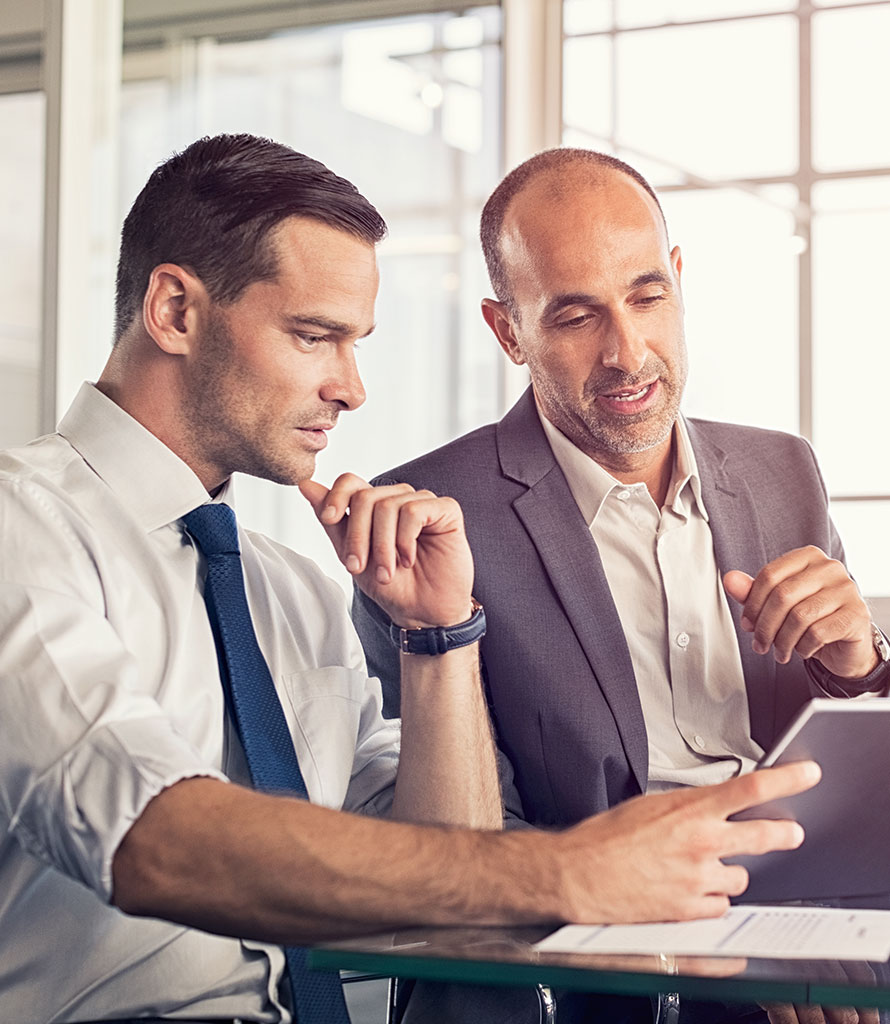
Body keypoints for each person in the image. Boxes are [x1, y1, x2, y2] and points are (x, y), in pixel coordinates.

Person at [0, 134, 818, 1024]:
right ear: (174, 310)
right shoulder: (25, 529)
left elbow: (444, 879)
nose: (352, 389)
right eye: (315, 337)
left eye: (357, 345)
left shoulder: (291, 592)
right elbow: (154, 838)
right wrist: (570, 872)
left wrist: (440, 639)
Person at [352, 147, 890, 1024]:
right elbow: (449, 855)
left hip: (802, 935)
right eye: (574, 317)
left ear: (678, 280)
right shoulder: (428, 520)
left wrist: (861, 666)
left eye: (647, 297)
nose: (627, 352)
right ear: (507, 331)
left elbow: (851, 773)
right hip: (581, 975)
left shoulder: (784, 470)